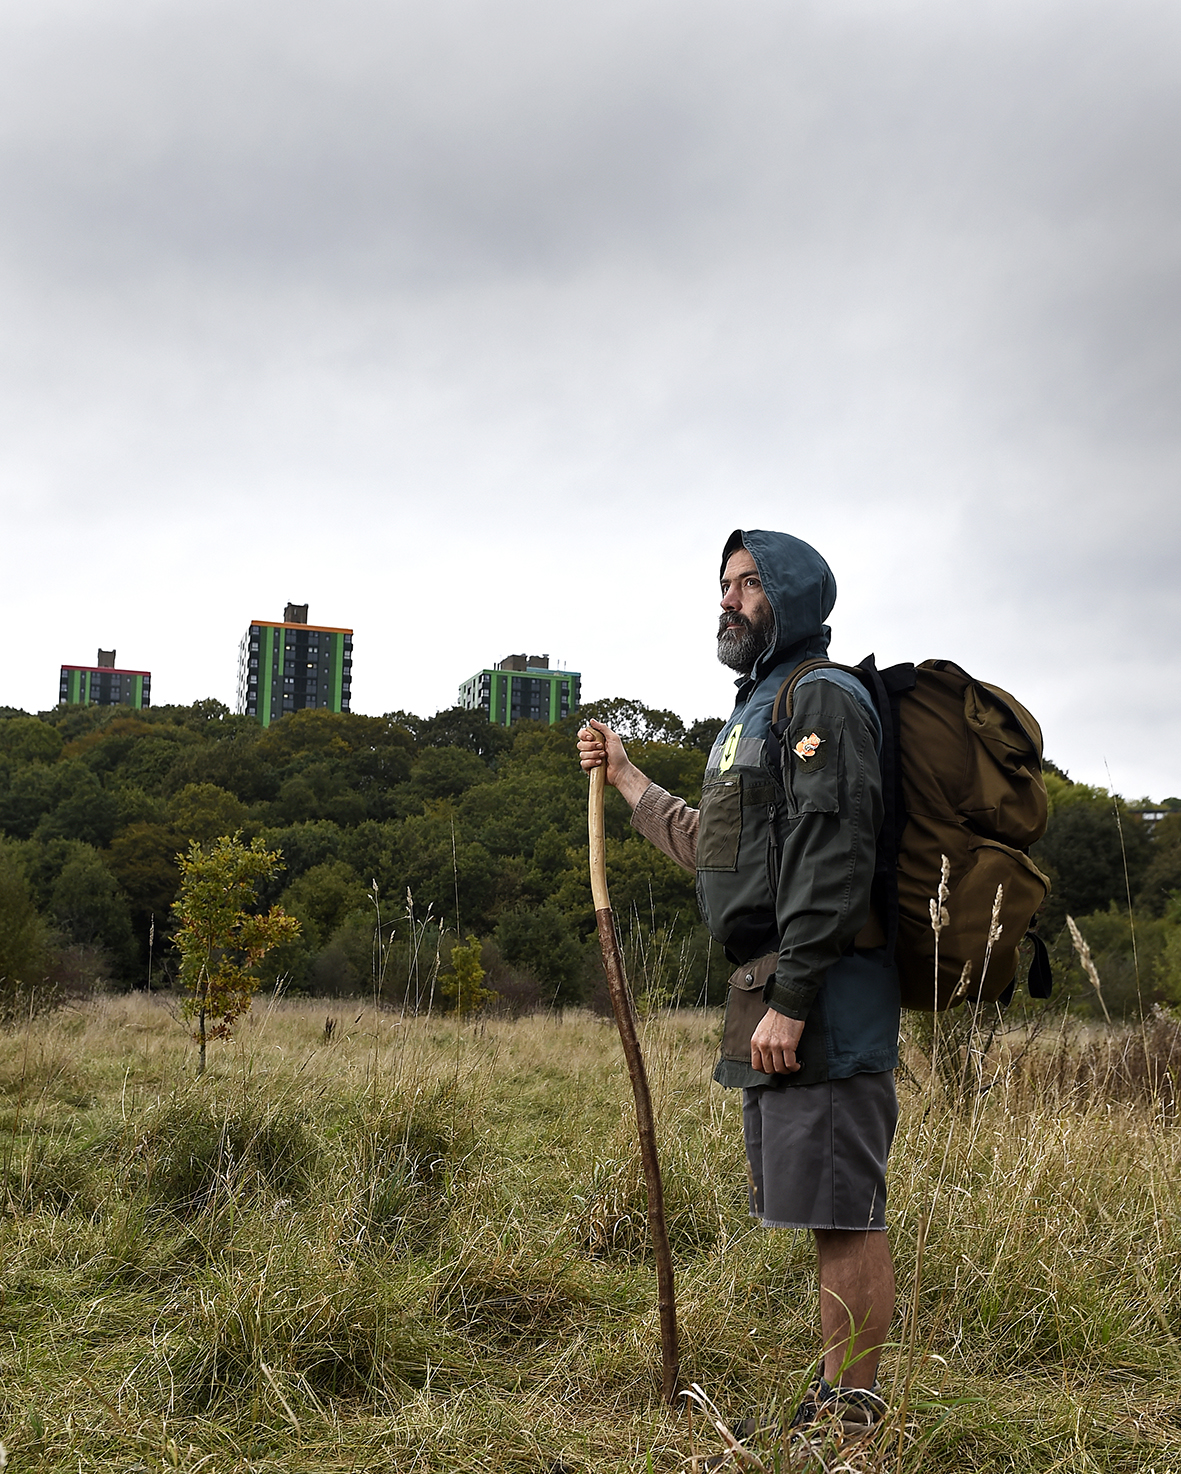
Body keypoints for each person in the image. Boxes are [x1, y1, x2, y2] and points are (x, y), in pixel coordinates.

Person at [578, 528, 901, 1440]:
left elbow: (836, 862)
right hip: (772, 988)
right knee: (820, 1204)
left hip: (823, 991)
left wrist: (794, 1001)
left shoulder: (820, 699)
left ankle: (851, 1415)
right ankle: (836, 1396)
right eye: (723, 583)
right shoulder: (753, 711)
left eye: (749, 583)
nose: (728, 598)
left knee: (844, 1209)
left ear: (791, 596)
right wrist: (630, 776)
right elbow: (709, 848)